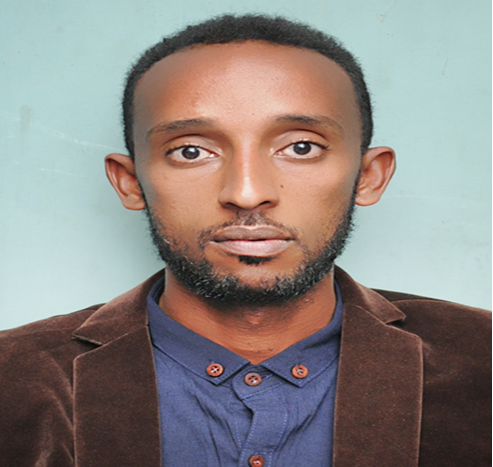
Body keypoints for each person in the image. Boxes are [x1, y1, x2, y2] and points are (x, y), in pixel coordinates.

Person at [0, 14, 490, 467]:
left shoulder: (481, 358)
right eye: (191, 151)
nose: (247, 193)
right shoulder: (14, 378)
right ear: (130, 182)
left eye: (301, 147)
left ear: (368, 176)